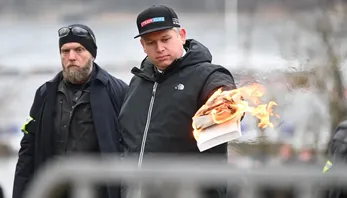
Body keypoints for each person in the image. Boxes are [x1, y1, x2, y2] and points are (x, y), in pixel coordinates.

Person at [118, 5, 240, 198]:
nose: (160, 48)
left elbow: (225, 95)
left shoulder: (209, 75)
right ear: (143, 45)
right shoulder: (138, 82)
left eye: (165, 39)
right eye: (151, 42)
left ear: (181, 35)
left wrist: (225, 100)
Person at [13, 24, 128, 198]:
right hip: (52, 190)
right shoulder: (45, 93)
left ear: (93, 54)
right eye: (65, 51)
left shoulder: (117, 91)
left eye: (79, 50)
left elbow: (131, 148)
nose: (71, 57)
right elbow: (27, 150)